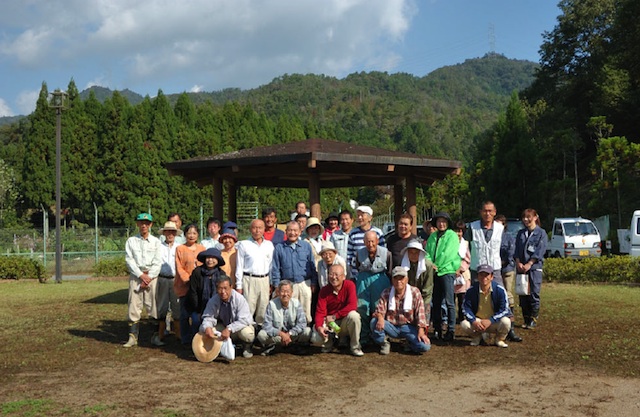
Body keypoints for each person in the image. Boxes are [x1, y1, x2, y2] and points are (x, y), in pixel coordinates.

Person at [370, 266, 431, 355]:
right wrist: (380, 318)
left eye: (401, 278)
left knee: (425, 346)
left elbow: (420, 314)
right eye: (396, 278)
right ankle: (384, 342)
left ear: (406, 279)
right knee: (374, 322)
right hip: (391, 326)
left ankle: (409, 344)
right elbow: (379, 310)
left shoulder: (415, 292)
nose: (399, 281)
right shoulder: (386, 292)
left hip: (408, 327)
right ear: (392, 280)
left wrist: (421, 332)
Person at [123, 213, 163, 348]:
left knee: (153, 307)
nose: (144, 225)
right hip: (136, 276)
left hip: (152, 277)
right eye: (141, 222)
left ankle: (155, 337)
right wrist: (141, 275)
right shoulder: (131, 241)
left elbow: (158, 262)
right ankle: (132, 337)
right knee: (134, 306)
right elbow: (129, 260)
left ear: (151, 225)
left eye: (146, 223)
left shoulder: (156, 242)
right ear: (137, 224)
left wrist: (149, 277)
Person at [311, 264, 364, 357]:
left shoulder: (349, 285)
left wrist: (335, 316)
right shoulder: (324, 290)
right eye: (331, 274)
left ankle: (355, 347)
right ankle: (329, 343)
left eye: (336, 275)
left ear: (343, 276)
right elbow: (320, 312)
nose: (333, 277)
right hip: (330, 324)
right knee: (316, 337)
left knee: (354, 316)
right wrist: (319, 327)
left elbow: (352, 305)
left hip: (343, 321)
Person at [271, 221, 318, 323]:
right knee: (290, 311)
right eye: (290, 230)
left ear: (300, 232)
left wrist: (314, 282)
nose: (293, 233)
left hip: (304, 283)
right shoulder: (279, 247)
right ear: (286, 232)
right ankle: (291, 333)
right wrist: (276, 286)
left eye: (295, 230)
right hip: (288, 284)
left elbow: (312, 265)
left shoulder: (306, 246)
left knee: (306, 311)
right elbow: (276, 268)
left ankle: (305, 332)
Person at [200, 275, 256, 358]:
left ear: (231, 287)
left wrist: (229, 329)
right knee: (203, 328)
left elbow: (244, 320)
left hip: (237, 328)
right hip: (223, 326)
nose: (223, 292)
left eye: (225, 288)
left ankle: (247, 347)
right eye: (220, 288)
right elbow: (208, 317)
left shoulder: (239, 299)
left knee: (247, 334)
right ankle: (216, 347)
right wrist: (208, 327)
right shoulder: (213, 300)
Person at [425, 212, 460, 342]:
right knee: (436, 301)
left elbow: (449, 254)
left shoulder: (452, 236)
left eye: (444, 221)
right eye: (439, 221)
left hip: (447, 271)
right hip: (434, 272)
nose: (441, 224)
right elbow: (427, 252)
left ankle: (451, 329)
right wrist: (430, 264)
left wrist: (438, 266)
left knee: (450, 302)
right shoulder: (432, 236)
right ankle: (437, 328)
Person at [460, 264, 512, 348]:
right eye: (481, 274)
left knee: (506, 321)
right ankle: (477, 337)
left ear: (491, 277)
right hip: (478, 322)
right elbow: (466, 308)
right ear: (477, 276)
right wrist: (474, 321)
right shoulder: (471, 290)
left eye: (486, 275)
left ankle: (499, 339)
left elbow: (505, 309)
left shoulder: (500, 290)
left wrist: (490, 320)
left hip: (494, 321)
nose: (484, 277)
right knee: (464, 324)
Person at [354, 230, 392, 344]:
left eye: (372, 241)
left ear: (377, 241)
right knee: (362, 308)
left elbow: (389, 270)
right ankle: (364, 337)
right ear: (364, 242)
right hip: (363, 281)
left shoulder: (387, 253)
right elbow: (357, 266)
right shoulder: (359, 253)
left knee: (379, 308)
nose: (370, 244)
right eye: (367, 242)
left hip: (380, 280)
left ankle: (380, 337)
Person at [235, 219, 274, 326]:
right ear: (250, 229)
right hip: (249, 279)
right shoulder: (244, 244)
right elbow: (239, 266)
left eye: (260, 228)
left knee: (263, 308)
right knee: (248, 308)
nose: (257, 230)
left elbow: (271, 266)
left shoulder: (269, 245)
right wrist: (239, 286)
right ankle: (248, 333)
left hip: (264, 280)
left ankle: (261, 334)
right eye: (254, 227)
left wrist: (271, 283)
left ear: (264, 229)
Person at [257, 280, 312, 355]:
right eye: (282, 291)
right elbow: (266, 325)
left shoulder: (296, 303)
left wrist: (289, 334)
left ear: (292, 292)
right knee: (261, 334)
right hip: (278, 337)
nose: (285, 294)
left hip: (293, 336)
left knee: (307, 331)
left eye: (288, 291)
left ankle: (298, 346)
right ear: (278, 292)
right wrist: (281, 334)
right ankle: (271, 346)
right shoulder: (271, 304)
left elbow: (302, 323)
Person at [174, 223, 206, 345]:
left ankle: (196, 337)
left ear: (197, 235)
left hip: (198, 287)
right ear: (185, 235)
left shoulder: (202, 249)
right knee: (184, 314)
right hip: (184, 286)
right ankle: (185, 338)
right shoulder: (180, 249)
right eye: (189, 233)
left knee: (197, 314)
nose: (191, 236)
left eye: (194, 233)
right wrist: (188, 280)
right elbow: (179, 267)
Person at [515, 208, 547, 329]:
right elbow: (516, 249)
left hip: (534, 269)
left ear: (535, 217)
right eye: (524, 217)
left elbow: (540, 250)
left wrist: (530, 263)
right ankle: (526, 318)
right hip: (521, 268)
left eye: (528, 217)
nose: (526, 219)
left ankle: (533, 318)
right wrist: (518, 262)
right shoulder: (520, 233)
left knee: (533, 293)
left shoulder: (541, 233)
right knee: (522, 293)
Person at [185, 247, 228, 338]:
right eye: (208, 257)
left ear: (218, 260)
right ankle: (196, 343)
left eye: (213, 258)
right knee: (196, 321)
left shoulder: (221, 274)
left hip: (216, 307)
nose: (210, 260)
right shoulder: (197, 272)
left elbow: (223, 293)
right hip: (198, 306)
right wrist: (198, 310)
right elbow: (193, 292)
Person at [153, 220, 182, 346]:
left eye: (172, 232)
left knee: (177, 307)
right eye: (168, 231)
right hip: (162, 279)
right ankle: (161, 334)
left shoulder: (179, 248)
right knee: (162, 307)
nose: (170, 234)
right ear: (164, 233)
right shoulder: (158, 247)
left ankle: (178, 335)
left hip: (176, 279)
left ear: (175, 234)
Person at [496, 214, 522, 342]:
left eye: (501, 223)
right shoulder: (491, 236)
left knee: (508, 295)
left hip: (506, 270)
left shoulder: (509, 237)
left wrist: (503, 262)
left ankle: (510, 328)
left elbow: (511, 253)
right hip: (494, 271)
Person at [468, 201, 504, 285]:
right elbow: (466, 246)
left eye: (490, 211)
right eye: (485, 211)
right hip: (477, 269)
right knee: (477, 295)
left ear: (494, 212)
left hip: (494, 269)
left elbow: (504, 248)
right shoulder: (472, 227)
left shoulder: (500, 228)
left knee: (497, 294)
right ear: (481, 212)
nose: (487, 213)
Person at [347, 205, 385, 277]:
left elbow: (382, 252)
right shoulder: (353, 233)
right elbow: (349, 254)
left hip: (376, 274)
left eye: (362, 215)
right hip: (357, 275)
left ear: (370, 218)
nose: (359, 218)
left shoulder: (378, 232)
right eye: (358, 215)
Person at [400, 240, 433, 320]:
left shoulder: (428, 266)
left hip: (424, 296)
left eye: (416, 253)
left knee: (424, 315)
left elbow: (428, 288)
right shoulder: (402, 265)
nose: (413, 255)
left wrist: (421, 303)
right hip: (406, 295)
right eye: (411, 252)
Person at [454, 220, 471, 324]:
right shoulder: (450, 243)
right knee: (451, 297)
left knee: (463, 297)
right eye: (456, 231)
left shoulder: (465, 243)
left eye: (460, 231)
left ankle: (463, 315)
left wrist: (461, 268)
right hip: (451, 272)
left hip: (462, 274)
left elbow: (468, 259)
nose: (458, 233)